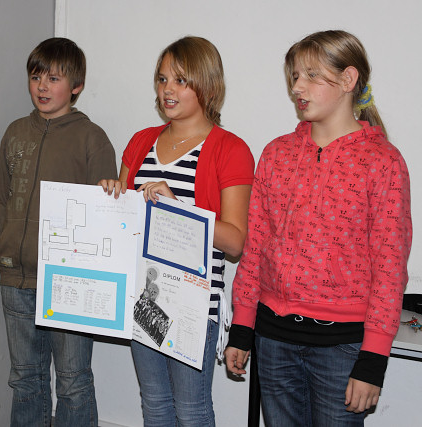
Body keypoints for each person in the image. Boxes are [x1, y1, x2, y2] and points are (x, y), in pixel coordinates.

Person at [225, 30, 412, 426]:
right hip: (273, 338)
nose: (297, 87)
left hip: (341, 347)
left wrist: (374, 358)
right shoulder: (277, 153)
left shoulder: (382, 161)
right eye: (295, 76)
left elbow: (390, 264)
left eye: (311, 75)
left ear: (348, 79)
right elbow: (256, 245)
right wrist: (242, 326)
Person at [99, 36, 254, 426]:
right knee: (154, 405)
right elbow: (124, 225)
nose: (168, 89)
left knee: (191, 410)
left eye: (181, 81)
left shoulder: (230, 149)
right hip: (144, 296)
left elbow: (235, 241)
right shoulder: (141, 141)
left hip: (193, 304)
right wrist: (113, 196)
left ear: (208, 86)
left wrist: (179, 207)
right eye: (163, 79)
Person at [0, 37, 116, 427]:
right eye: (36, 77)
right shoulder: (15, 133)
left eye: (54, 79)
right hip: (16, 280)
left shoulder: (92, 138)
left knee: (73, 382)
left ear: (76, 86)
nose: (42, 86)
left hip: (69, 282)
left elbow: (104, 218)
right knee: (25, 379)